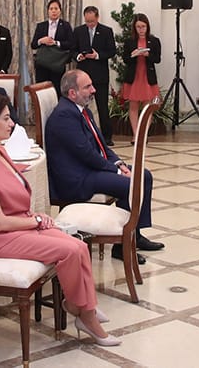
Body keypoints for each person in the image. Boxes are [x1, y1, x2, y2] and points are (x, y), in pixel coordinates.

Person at [0, 92, 119, 346]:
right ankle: (85, 313)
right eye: (6, 119)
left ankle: (79, 307)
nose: (12, 124)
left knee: (77, 245)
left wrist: (36, 217)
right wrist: (35, 222)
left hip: (18, 227)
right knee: (69, 250)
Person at [44, 70, 162, 263]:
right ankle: (121, 246)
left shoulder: (82, 110)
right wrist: (116, 172)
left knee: (144, 176)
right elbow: (86, 154)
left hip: (89, 168)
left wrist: (119, 164)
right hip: (77, 178)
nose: (93, 90)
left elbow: (101, 146)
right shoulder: (64, 116)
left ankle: (135, 235)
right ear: (72, 93)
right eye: (87, 87)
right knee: (129, 185)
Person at [72, 6, 116, 145]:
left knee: (102, 106)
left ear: (97, 18)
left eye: (92, 21)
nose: (89, 24)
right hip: (83, 74)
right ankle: (82, 132)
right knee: (81, 106)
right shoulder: (78, 31)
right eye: (87, 21)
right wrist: (78, 56)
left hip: (100, 75)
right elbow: (72, 50)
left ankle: (107, 136)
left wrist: (97, 55)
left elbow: (112, 51)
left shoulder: (106, 31)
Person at [117, 13, 161, 142]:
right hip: (134, 76)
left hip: (147, 76)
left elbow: (157, 59)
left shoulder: (154, 41)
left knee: (148, 106)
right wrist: (133, 55)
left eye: (143, 26)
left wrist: (148, 54)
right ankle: (136, 134)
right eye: (138, 27)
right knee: (133, 106)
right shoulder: (130, 41)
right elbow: (125, 59)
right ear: (134, 28)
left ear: (147, 26)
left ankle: (144, 134)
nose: (141, 29)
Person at [30, 0, 73, 92]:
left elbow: (71, 44)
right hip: (42, 64)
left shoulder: (66, 25)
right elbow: (33, 45)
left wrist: (56, 43)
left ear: (60, 11)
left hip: (58, 64)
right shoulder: (41, 26)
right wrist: (41, 41)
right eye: (51, 8)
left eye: (56, 8)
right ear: (48, 11)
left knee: (57, 90)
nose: (54, 11)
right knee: (41, 90)